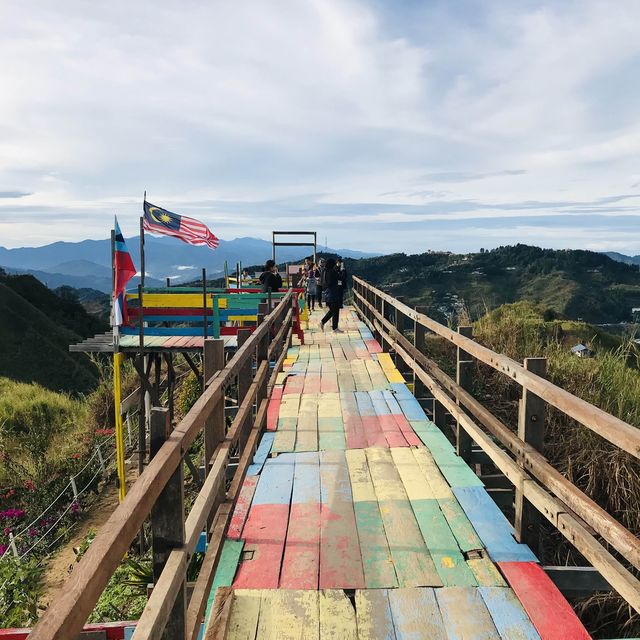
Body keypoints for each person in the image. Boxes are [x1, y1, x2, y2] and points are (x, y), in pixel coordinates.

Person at [320, 258, 341, 332]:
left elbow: (322, 282)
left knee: (332, 310)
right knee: (335, 311)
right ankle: (335, 328)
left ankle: (322, 322)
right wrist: (340, 270)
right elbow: (339, 278)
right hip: (333, 293)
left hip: (326, 293)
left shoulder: (323, 271)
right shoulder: (332, 271)